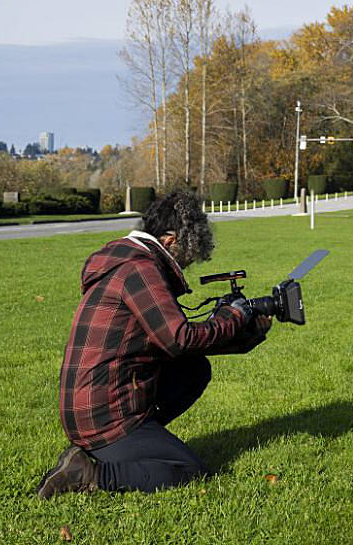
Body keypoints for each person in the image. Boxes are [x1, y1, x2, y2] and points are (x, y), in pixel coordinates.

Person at [35, 188, 270, 499]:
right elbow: (179, 339)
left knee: (193, 370)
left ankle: (130, 446)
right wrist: (234, 315)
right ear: (170, 241)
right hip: (101, 416)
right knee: (189, 470)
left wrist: (242, 335)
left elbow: (173, 344)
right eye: (187, 255)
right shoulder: (140, 270)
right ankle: (90, 473)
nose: (185, 265)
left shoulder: (125, 263)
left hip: (87, 407)